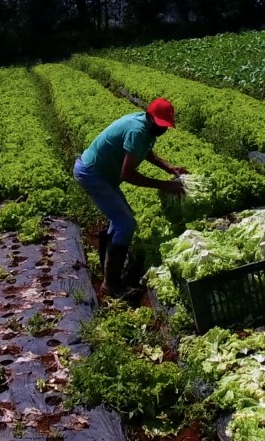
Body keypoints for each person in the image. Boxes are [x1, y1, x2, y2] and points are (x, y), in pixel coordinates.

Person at [74, 97, 187, 297]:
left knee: (119, 221)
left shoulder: (145, 127)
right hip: (93, 174)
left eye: (166, 126)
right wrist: (165, 185)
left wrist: (170, 168)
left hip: (101, 174)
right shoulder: (137, 130)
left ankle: (110, 271)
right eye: (161, 125)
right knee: (126, 223)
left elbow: (145, 152)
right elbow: (128, 174)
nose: (163, 129)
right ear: (150, 118)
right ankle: (111, 285)